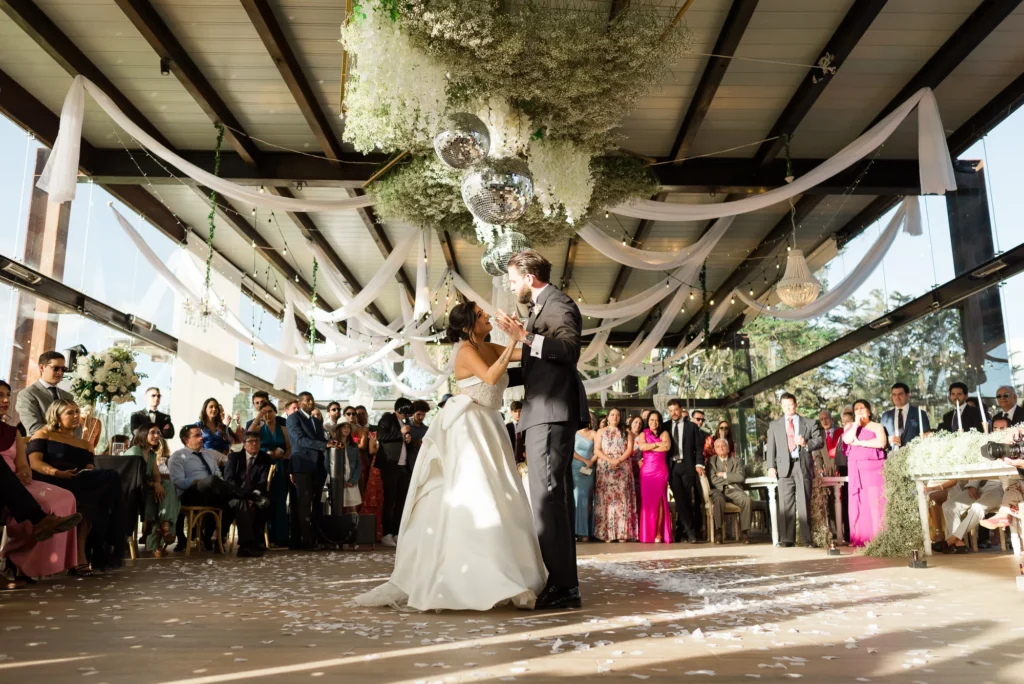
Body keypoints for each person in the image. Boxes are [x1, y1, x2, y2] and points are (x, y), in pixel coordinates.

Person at [355, 300, 545, 611]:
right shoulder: (465, 351)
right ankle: (467, 573)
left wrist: (522, 335)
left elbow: (524, 355)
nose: (488, 319)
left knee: (502, 495)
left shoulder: (491, 345)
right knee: (477, 494)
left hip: (491, 426)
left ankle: (506, 568)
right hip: (469, 427)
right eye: (483, 316)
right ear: (470, 325)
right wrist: (511, 340)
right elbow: (491, 378)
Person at [495, 250, 590, 611]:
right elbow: (537, 369)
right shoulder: (538, 309)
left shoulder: (559, 302)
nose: (511, 285)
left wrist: (524, 336)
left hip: (551, 413)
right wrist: (489, 378)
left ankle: (564, 587)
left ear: (530, 276)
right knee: (553, 502)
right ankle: (565, 583)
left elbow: (568, 350)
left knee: (546, 500)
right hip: (542, 410)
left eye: (513, 279)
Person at [27, 399, 124, 574]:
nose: (76, 416)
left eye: (77, 412)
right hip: (51, 480)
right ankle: (86, 553)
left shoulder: (85, 444)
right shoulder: (43, 434)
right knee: (103, 488)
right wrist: (57, 473)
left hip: (77, 481)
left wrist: (88, 471)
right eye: (69, 413)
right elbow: (34, 463)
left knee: (106, 483)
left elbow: (89, 467)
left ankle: (83, 553)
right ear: (56, 416)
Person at [0, 380, 79, 582]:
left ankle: (31, 565)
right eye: (0, 395)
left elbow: (23, 465)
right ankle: (39, 521)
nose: (6, 400)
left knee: (63, 497)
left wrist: (24, 473)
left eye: (8, 395)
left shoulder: (12, 432)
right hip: (9, 487)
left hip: (16, 484)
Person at [168, 425, 267, 557]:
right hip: (191, 494)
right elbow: (177, 482)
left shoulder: (208, 455)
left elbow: (219, 479)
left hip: (213, 493)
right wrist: (196, 482)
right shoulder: (178, 456)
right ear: (186, 439)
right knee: (211, 480)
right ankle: (250, 495)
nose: (201, 437)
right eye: (196, 435)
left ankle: (246, 547)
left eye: (201, 434)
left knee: (238, 501)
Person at [765, 392, 823, 547]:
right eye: (785, 405)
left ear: (796, 405)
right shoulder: (775, 425)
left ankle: (807, 539)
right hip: (783, 467)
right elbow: (771, 448)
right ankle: (787, 539)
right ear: (781, 406)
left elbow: (819, 441)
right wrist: (771, 466)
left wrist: (806, 443)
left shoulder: (809, 423)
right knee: (785, 505)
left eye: (790, 405)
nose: (788, 408)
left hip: (802, 465)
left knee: (804, 502)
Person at [125, 424, 179, 556]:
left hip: (147, 490)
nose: (157, 436)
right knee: (160, 497)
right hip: (133, 491)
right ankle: (162, 533)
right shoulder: (135, 451)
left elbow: (156, 475)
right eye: (152, 433)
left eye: (158, 433)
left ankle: (162, 528)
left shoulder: (152, 454)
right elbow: (134, 478)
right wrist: (154, 485)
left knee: (167, 487)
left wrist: (158, 483)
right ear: (143, 434)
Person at [842, 399, 888, 547]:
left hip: (874, 469)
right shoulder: (850, 426)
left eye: (862, 408)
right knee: (859, 503)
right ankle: (860, 537)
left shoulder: (877, 426)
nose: (860, 410)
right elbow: (848, 439)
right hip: (857, 469)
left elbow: (881, 443)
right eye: (856, 409)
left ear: (869, 411)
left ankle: (878, 537)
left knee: (875, 503)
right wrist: (856, 423)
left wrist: (861, 443)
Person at [285, 391, 328, 550]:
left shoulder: (316, 422)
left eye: (312, 400)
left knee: (316, 503)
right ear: (300, 402)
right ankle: (304, 540)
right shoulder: (293, 418)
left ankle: (314, 537)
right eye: (308, 400)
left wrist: (331, 443)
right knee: (303, 502)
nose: (311, 403)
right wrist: (324, 445)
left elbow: (322, 441)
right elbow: (300, 440)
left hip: (317, 466)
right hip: (302, 465)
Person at [247, 401, 291, 548]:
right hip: (264, 466)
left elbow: (289, 448)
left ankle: (281, 538)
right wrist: (258, 416)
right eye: (264, 412)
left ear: (275, 412)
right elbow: (248, 435)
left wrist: (283, 456)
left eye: (270, 411)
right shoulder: (259, 428)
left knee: (280, 501)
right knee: (265, 500)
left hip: (280, 466)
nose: (267, 415)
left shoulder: (283, 429)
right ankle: (263, 536)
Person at [592, 407, 637, 543]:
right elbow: (597, 450)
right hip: (605, 468)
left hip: (622, 468)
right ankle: (607, 533)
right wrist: (610, 460)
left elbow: (629, 449)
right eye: (612, 414)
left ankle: (622, 533)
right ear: (607, 417)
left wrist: (618, 460)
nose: (615, 417)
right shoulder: (600, 432)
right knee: (607, 500)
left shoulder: (627, 432)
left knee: (622, 500)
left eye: (617, 415)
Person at [375, 397, 414, 548]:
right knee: (390, 501)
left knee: (401, 502)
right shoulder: (387, 418)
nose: (407, 415)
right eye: (405, 411)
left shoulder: (406, 423)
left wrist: (408, 439)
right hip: (390, 465)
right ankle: (387, 534)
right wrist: (400, 433)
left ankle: (397, 533)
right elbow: (381, 436)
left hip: (404, 466)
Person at [665, 398, 705, 543]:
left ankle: (679, 529)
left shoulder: (692, 427)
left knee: (687, 500)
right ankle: (690, 532)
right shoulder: (665, 427)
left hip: (687, 466)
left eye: (675, 410)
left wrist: (699, 464)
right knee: (680, 498)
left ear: (681, 410)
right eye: (670, 411)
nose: (673, 413)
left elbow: (699, 448)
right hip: (672, 467)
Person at [16, 351, 80, 437]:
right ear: (42, 368)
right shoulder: (27, 394)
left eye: (63, 369)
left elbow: (75, 428)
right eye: (56, 368)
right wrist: (64, 436)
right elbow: (33, 428)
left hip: (68, 447)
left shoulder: (68, 396)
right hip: (41, 446)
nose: (60, 372)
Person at [225, 433, 272, 550]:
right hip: (236, 493)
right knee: (235, 505)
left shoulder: (265, 458)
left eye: (257, 441)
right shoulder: (234, 457)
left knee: (266, 503)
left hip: (256, 493)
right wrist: (244, 496)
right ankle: (246, 542)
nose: (254, 444)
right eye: (251, 441)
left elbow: (262, 481)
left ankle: (255, 540)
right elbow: (229, 480)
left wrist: (252, 497)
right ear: (244, 445)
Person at [634, 410, 672, 544]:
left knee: (660, 501)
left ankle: (658, 533)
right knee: (647, 503)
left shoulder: (665, 433)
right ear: (648, 421)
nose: (654, 422)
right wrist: (657, 444)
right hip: (646, 471)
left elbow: (666, 447)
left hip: (660, 471)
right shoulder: (643, 433)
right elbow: (643, 447)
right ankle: (647, 533)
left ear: (660, 422)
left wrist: (651, 447)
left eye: (656, 420)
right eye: (651, 420)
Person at [707, 437, 751, 544]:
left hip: (734, 490)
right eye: (718, 446)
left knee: (747, 500)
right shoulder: (711, 461)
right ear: (715, 449)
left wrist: (724, 474)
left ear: (728, 448)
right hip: (719, 490)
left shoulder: (737, 461)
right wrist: (730, 479)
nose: (721, 448)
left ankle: (744, 533)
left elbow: (740, 477)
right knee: (718, 500)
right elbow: (713, 480)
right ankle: (718, 533)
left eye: (723, 446)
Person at [880, 383, 931, 450]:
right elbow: (881, 438)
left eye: (900, 394)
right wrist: (889, 439)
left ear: (907, 395)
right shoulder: (885, 416)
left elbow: (927, 436)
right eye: (894, 395)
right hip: (892, 456)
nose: (897, 397)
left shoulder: (920, 414)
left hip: (913, 455)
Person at [571, 414, 597, 542]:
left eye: (591, 419)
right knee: (576, 498)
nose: (589, 420)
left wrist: (590, 462)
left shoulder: (594, 433)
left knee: (587, 499)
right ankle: (575, 531)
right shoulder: (574, 433)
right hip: (576, 467)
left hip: (589, 469)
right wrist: (584, 460)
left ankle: (585, 531)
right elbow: (571, 450)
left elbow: (598, 450)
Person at [333, 420, 362, 514]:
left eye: (348, 427)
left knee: (353, 508)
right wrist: (338, 481)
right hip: (337, 481)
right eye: (344, 427)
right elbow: (328, 464)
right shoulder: (332, 445)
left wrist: (353, 480)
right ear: (339, 429)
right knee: (337, 508)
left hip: (351, 479)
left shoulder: (354, 446)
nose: (346, 429)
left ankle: (354, 527)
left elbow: (358, 465)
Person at [407, 400, 429, 472]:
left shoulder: (427, 430)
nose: (421, 417)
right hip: (406, 467)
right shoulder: (405, 427)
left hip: (422, 466)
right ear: (413, 413)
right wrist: (413, 443)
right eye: (419, 414)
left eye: (423, 415)